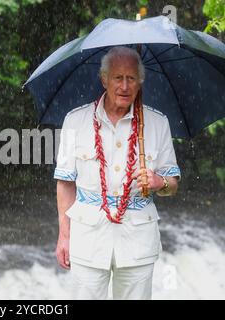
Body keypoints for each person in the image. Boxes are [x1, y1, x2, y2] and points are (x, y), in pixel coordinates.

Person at [54, 46, 181, 300]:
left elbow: (173, 184)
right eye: (118, 78)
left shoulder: (158, 123)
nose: (125, 86)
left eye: (131, 78)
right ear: (104, 79)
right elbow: (65, 183)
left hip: (138, 242)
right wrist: (64, 236)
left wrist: (158, 182)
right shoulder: (75, 121)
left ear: (140, 81)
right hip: (87, 239)